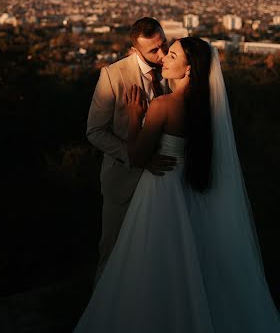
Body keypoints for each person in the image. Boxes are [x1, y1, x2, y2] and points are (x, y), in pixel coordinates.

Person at [75, 37, 280, 332]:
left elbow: (136, 154)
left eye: (171, 56)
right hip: (187, 185)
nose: (164, 60)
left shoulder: (163, 105)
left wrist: (134, 117)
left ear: (188, 70)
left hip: (161, 188)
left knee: (152, 262)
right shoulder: (205, 107)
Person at [86, 17, 175, 284]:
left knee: (155, 255)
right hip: (124, 181)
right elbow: (95, 132)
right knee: (112, 252)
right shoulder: (113, 75)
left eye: (164, 45)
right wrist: (137, 156)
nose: (162, 55)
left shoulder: (174, 70)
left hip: (166, 181)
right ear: (135, 50)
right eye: (153, 51)